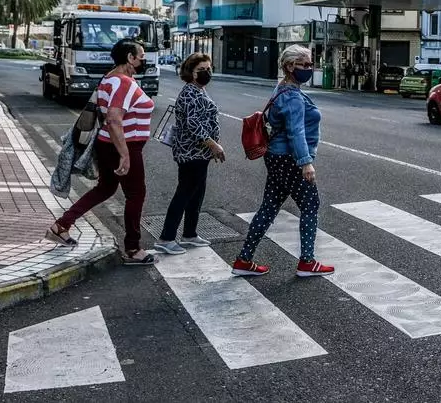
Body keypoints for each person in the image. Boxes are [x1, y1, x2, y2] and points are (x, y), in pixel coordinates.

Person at [46, 39, 156, 265]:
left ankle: (62, 225)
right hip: (123, 146)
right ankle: (133, 248)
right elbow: (115, 119)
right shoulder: (123, 82)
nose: (144, 60)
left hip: (107, 144)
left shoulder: (109, 78)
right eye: (141, 56)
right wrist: (125, 154)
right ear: (130, 58)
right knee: (136, 195)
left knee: (105, 188)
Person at [231, 44, 334, 278]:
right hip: (289, 159)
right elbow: (295, 132)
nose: (309, 68)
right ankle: (307, 262)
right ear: (289, 66)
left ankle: (244, 259)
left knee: (268, 208)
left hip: (276, 158)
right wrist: (305, 162)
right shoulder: (292, 97)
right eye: (304, 64)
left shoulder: (283, 88)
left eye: (310, 64)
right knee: (311, 205)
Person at [154, 53, 224, 255]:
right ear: (191, 73)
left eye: (209, 68)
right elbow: (194, 125)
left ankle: (190, 234)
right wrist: (213, 145)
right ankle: (166, 238)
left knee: (196, 193)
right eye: (201, 70)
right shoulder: (190, 93)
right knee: (184, 193)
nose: (207, 73)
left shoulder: (198, 90)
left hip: (199, 153)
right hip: (191, 153)